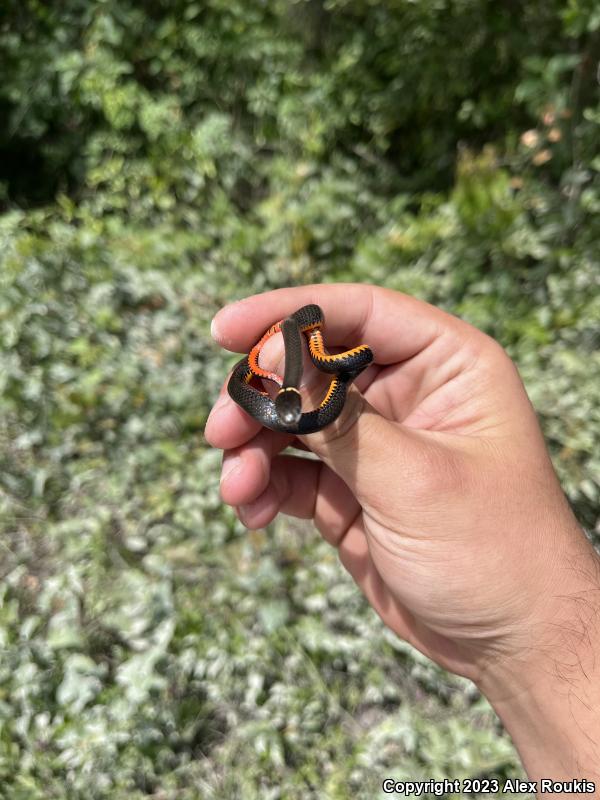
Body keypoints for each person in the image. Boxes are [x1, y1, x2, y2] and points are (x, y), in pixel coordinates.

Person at [204, 283, 600, 783]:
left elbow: (344, 365)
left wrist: (532, 641)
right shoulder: (283, 379)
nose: (297, 411)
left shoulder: (325, 382)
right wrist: (531, 651)